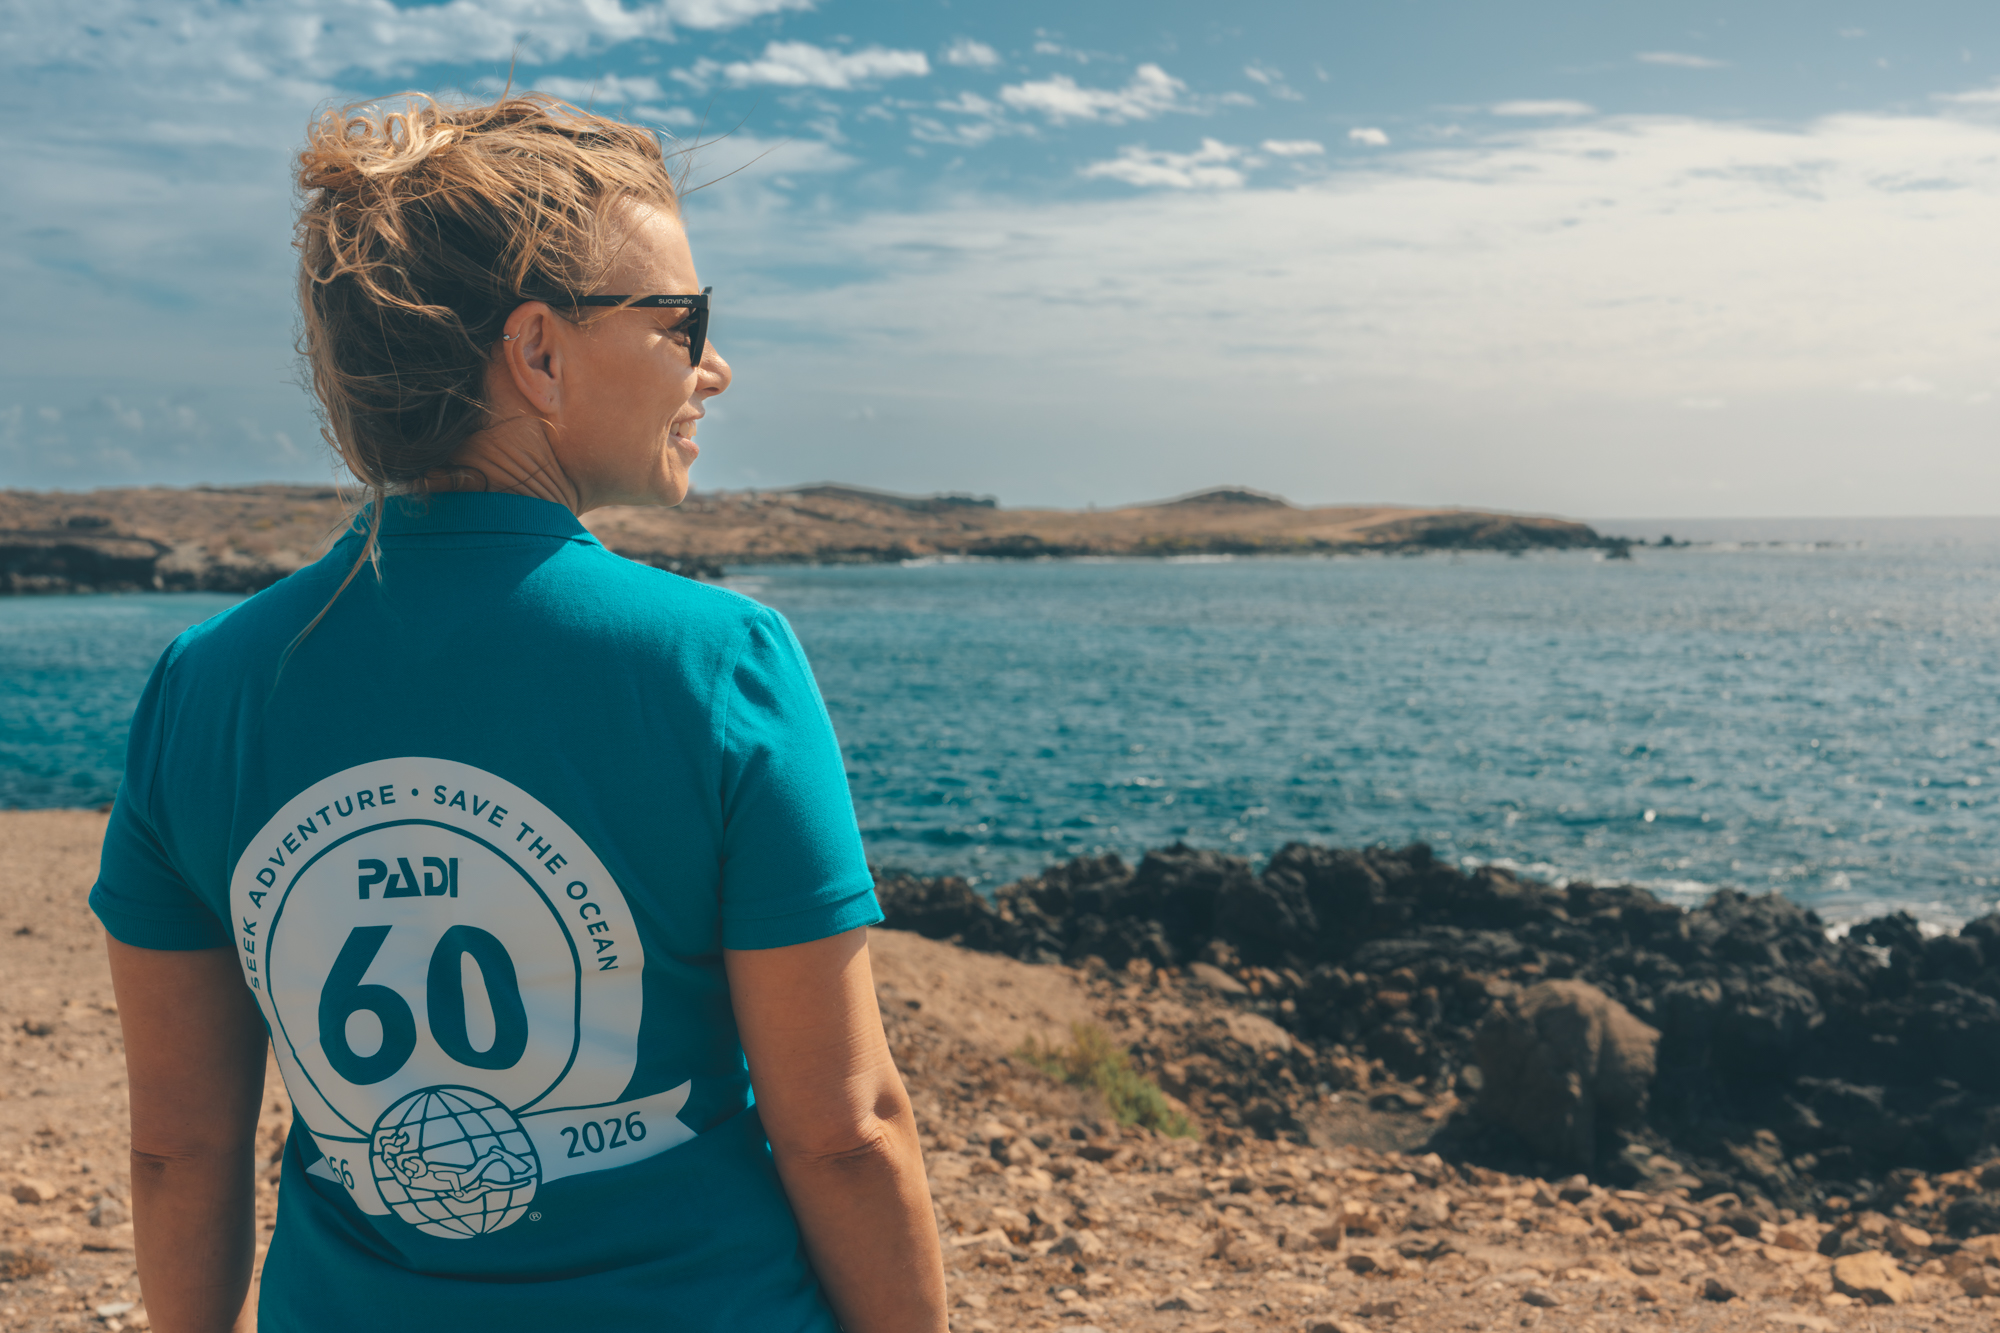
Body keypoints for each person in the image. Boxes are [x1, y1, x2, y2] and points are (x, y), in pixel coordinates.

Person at [90, 92, 947, 1333]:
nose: (712, 364)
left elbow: (178, 1146)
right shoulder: (718, 661)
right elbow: (846, 1129)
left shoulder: (204, 683)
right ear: (538, 352)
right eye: (680, 319)